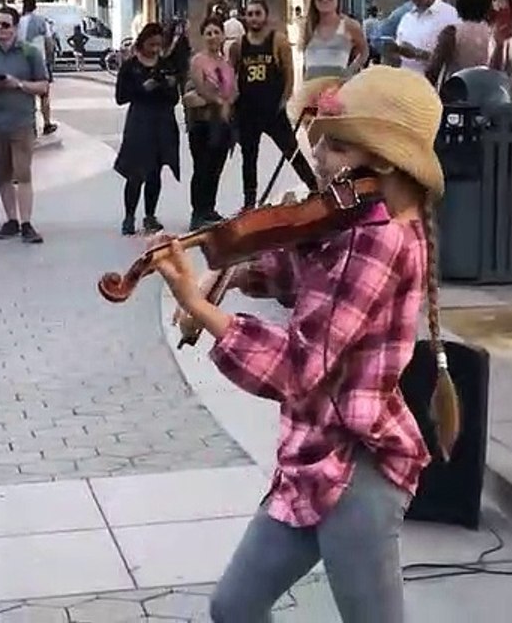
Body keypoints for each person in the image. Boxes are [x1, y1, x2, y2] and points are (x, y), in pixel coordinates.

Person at [156, 66, 457, 623]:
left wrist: (201, 308)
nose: (317, 155)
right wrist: (236, 270)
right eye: (319, 141)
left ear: (383, 162)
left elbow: (299, 367)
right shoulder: (356, 222)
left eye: (336, 146)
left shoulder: (379, 240)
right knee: (235, 607)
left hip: (354, 470)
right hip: (310, 459)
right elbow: (302, 277)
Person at [0, 5, 50, 244]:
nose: (0, 29)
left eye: (5, 25)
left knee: (22, 172)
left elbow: (43, 86)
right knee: (1, 174)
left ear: (15, 28)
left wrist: (19, 84)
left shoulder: (29, 53)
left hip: (22, 122)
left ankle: (26, 223)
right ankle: (11, 220)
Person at [230, 0, 318, 206]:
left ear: (265, 16)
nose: (253, 18)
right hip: (248, 111)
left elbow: (289, 73)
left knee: (291, 150)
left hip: (273, 110)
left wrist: (285, 99)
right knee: (249, 157)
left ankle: (314, 187)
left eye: (257, 13)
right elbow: (231, 75)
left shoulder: (278, 41)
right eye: (250, 14)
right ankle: (249, 202)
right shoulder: (239, 45)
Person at [113, 22, 180, 235]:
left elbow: (175, 98)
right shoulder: (130, 66)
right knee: (136, 171)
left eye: (158, 45)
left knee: (155, 171)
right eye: (151, 45)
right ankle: (129, 216)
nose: (155, 50)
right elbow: (121, 97)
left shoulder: (166, 65)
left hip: (162, 121)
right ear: (142, 42)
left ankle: (150, 215)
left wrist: (168, 85)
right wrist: (143, 89)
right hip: (140, 121)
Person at [185, 17, 238, 231]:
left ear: (223, 35)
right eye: (208, 33)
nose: (213, 37)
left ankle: (209, 208)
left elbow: (233, 89)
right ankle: (198, 212)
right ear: (203, 37)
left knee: (216, 167)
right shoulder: (198, 61)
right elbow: (201, 88)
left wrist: (229, 102)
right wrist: (219, 101)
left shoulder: (226, 63)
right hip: (202, 122)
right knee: (202, 167)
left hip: (222, 122)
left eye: (216, 32)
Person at [394, 0, 459, 76]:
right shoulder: (406, 19)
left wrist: (417, 54)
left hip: (431, 84)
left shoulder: (450, 16)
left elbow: (454, 60)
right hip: (404, 82)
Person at [425, 0, 494, 85]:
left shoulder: (452, 32)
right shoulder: (493, 33)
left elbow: (434, 69)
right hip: (489, 89)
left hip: (457, 89)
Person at [301, 0, 368, 80]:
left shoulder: (349, 25)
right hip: (311, 85)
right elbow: (305, 61)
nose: (325, 0)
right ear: (314, 1)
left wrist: (350, 71)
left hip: (338, 85)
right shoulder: (308, 26)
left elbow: (364, 51)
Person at [18, 0, 57, 136]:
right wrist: (50, 59)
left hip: (22, 61)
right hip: (39, 60)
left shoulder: (18, 22)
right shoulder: (41, 21)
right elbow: (49, 42)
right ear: (35, 6)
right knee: (44, 94)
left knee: (26, 93)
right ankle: (46, 123)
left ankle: (31, 126)